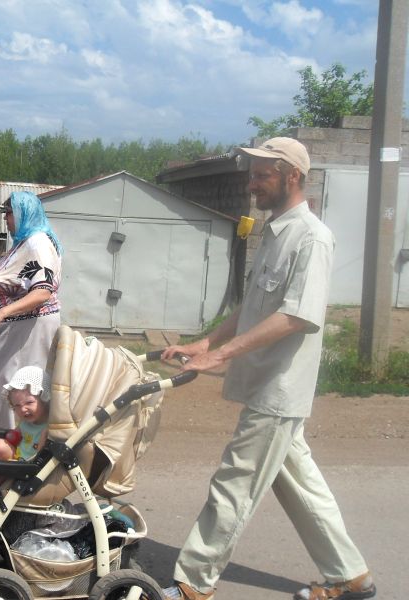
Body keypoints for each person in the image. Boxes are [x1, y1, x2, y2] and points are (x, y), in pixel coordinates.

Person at [160, 137, 375, 600]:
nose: (252, 185)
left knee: (233, 484)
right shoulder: (277, 232)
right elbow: (255, 307)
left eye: (262, 176)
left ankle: (193, 584)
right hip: (264, 384)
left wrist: (220, 357)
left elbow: (297, 315)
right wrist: (207, 342)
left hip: (278, 389)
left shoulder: (311, 238)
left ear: (292, 176)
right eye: (252, 175)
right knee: (301, 484)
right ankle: (351, 576)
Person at [0, 191, 62, 429]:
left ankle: (19, 434)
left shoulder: (38, 243)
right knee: (7, 378)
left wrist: (0, 313)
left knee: (18, 380)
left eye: (9, 213)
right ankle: (10, 432)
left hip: (31, 328)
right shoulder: (23, 243)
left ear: (25, 213)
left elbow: (42, 291)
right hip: (17, 326)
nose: (5, 218)